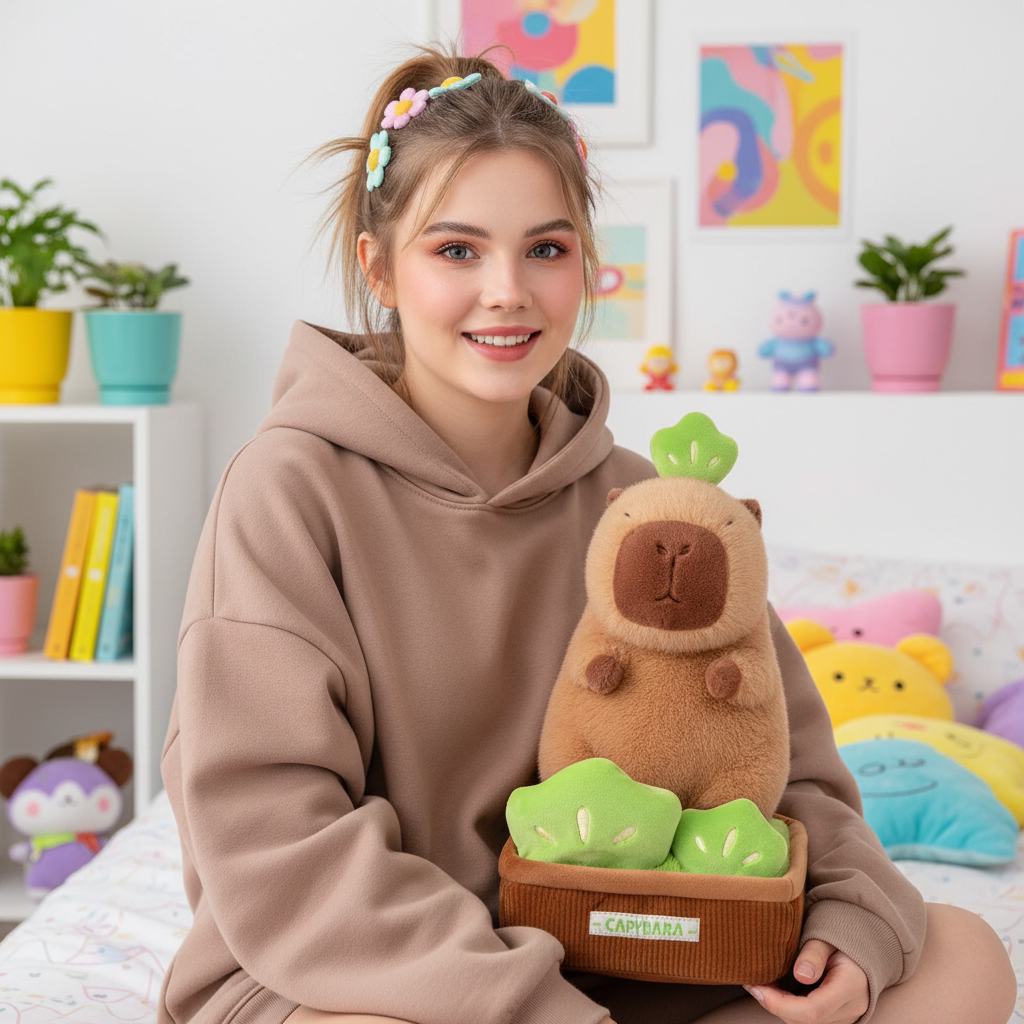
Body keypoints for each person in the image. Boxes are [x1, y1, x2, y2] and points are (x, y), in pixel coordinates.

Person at [159, 46, 1016, 1024]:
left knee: (961, 956)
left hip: (615, 969)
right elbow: (276, 843)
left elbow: (789, 766)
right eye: (456, 250)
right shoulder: (288, 490)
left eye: (545, 248)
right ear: (379, 267)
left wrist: (848, 926)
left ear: (584, 263)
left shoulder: (641, 505)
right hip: (356, 978)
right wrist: (527, 1003)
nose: (506, 291)